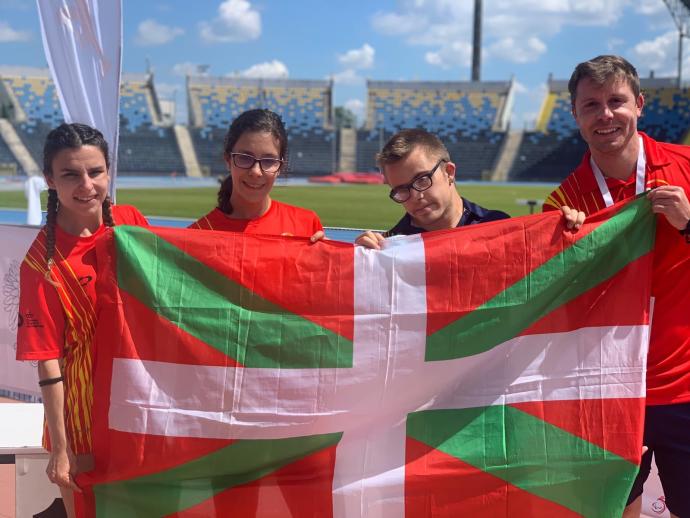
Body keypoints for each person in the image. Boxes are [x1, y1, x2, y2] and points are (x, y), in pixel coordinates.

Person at [543, 55, 690, 518]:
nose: (605, 115)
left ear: (640, 104)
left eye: (616, 101)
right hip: (608, 389)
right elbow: (549, 304)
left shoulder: (687, 167)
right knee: (610, 511)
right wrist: (567, 254)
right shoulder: (563, 203)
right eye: (591, 105)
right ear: (575, 114)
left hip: (684, 387)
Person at [15, 123, 148, 518]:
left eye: (96, 172)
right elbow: (48, 361)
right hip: (82, 421)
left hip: (138, 405)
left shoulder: (130, 222)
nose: (86, 185)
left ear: (109, 172)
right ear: (50, 181)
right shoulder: (42, 264)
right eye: (71, 174)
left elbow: (190, 269)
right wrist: (61, 448)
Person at [356, 128, 583, 248]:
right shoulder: (388, 246)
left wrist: (566, 234)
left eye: (422, 180)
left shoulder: (497, 227)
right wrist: (360, 263)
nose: (415, 196)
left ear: (449, 172)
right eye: (402, 190)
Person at [190, 108, 324, 241]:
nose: (256, 172)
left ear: (280, 167)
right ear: (228, 160)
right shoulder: (197, 236)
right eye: (244, 157)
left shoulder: (306, 226)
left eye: (268, 161)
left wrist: (326, 257)